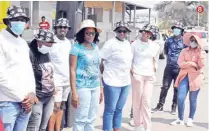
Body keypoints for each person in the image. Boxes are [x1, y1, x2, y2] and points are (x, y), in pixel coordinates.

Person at [0, 6, 36, 131]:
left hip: (26, 103)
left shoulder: (22, 42)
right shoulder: (1, 40)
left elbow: (29, 70)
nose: (20, 22)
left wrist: (32, 93)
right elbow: (1, 75)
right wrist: (22, 98)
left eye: (23, 20)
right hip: (7, 102)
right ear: (8, 21)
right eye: (17, 19)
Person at [70, 19, 103, 131]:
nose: (90, 35)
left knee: (91, 118)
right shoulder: (76, 48)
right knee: (81, 118)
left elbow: (98, 68)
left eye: (92, 33)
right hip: (82, 87)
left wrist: (101, 88)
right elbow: (72, 70)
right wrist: (74, 92)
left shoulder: (96, 47)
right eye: (87, 33)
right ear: (82, 34)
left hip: (95, 86)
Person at [100, 22, 133, 131]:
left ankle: (117, 128)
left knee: (119, 109)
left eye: (125, 31)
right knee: (110, 109)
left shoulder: (128, 44)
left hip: (125, 82)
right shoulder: (110, 43)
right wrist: (103, 77)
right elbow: (101, 61)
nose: (122, 33)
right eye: (120, 31)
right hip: (111, 81)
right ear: (116, 32)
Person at [170, 33, 206, 126]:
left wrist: (200, 53)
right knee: (180, 98)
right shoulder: (184, 51)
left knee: (193, 99)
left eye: (195, 41)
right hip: (184, 76)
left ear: (198, 42)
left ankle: (190, 118)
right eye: (191, 40)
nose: (192, 42)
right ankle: (180, 119)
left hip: (196, 77)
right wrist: (192, 63)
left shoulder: (201, 52)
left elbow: (201, 65)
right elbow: (180, 63)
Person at [152, 22, 186, 115]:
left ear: (181, 31)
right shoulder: (169, 40)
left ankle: (174, 106)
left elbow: (187, 52)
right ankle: (160, 105)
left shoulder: (184, 41)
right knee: (165, 87)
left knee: (177, 88)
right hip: (169, 67)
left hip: (179, 69)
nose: (176, 30)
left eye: (178, 29)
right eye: (174, 28)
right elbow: (166, 51)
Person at [131, 24, 160, 131]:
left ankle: (148, 127)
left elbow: (155, 60)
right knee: (137, 101)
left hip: (149, 76)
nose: (145, 34)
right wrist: (132, 71)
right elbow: (130, 59)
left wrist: (154, 69)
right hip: (137, 75)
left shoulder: (155, 46)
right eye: (144, 31)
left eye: (148, 33)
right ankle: (138, 125)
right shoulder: (134, 44)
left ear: (151, 35)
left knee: (146, 101)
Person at [27, 29, 56, 131]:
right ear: (39, 42)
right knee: (34, 126)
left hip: (49, 97)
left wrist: (53, 87)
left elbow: (49, 72)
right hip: (37, 97)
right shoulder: (30, 54)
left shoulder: (46, 53)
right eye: (48, 44)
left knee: (43, 127)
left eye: (51, 44)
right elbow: (27, 75)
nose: (50, 47)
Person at [47, 18, 72, 131]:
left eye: (65, 27)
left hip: (67, 81)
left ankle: (58, 129)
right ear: (56, 28)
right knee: (55, 107)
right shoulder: (51, 42)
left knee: (62, 106)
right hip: (56, 80)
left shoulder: (69, 43)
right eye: (60, 27)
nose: (62, 29)